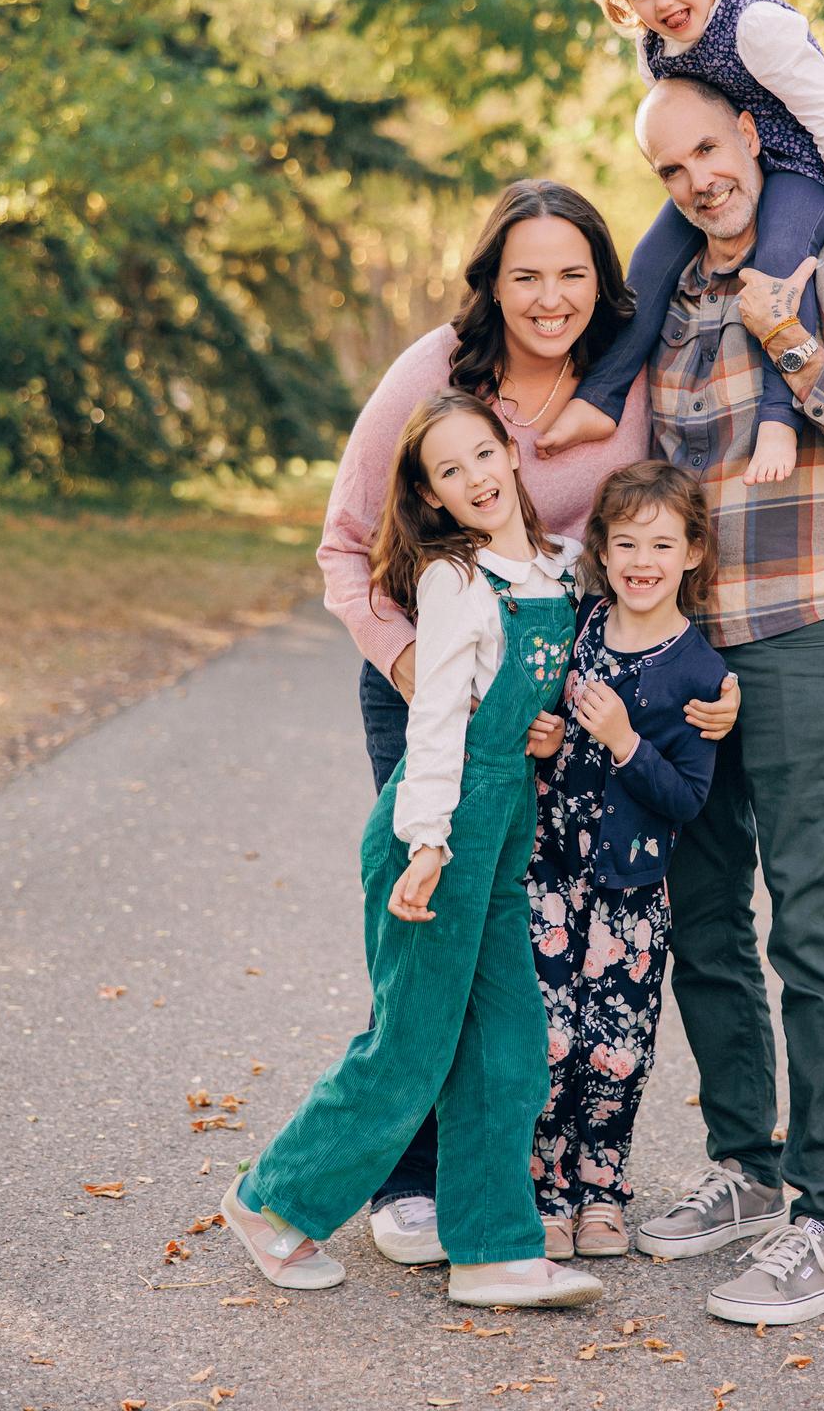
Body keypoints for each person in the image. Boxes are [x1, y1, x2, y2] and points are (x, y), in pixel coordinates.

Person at [317, 179, 740, 1266]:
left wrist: (701, 676)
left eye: (570, 273)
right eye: (524, 275)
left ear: (602, 282)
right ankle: (406, 1179)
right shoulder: (435, 376)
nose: (549, 297)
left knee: (527, 951)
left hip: (569, 698)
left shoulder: (627, 383)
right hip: (436, 683)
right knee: (437, 920)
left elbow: (658, 538)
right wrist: (419, 670)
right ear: (490, 283)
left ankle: (509, 1176)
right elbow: (345, 544)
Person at [627, 76, 824, 1328]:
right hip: (690, 640)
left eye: (711, 147)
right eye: (670, 167)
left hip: (801, 620)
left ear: (754, 134)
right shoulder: (675, 292)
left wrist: (787, 340)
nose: (699, 177)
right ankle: (747, 1167)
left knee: (808, 913)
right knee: (703, 911)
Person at [221, 391, 602, 1309]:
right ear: (431, 496)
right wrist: (426, 845)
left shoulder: (555, 567)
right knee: (412, 1045)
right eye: (449, 471)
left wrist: (538, 734)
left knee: (509, 1045)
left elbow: (514, 701)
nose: (473, 478)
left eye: (482, 456)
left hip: (501, 835)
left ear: (512, 456)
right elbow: (434, 722)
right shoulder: (454, 581)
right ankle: (270, 1203)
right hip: (434, 835)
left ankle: (492, 1249)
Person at [540, 0, 824, 485]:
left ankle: (780, 415)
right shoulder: (656, 52)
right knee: (648, 261)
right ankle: (600, 398)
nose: (663, 1)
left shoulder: (756, 25)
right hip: (728, 167)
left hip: (803, 164)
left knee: (777, 263)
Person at [528, 461, 727, 1259]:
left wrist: (623, 743)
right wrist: (545, 743)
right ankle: (544, 1190)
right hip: (549, 873)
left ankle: (602, 1191)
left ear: (690, 554)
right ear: (602, 553)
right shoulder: (580, 627)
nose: (642, 559)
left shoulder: (697, 671)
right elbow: (546, 731)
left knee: (616, 1045)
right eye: (625, 543)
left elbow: (686, 797)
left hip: (630, 893)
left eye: (661, 543)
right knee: (547, 1036)